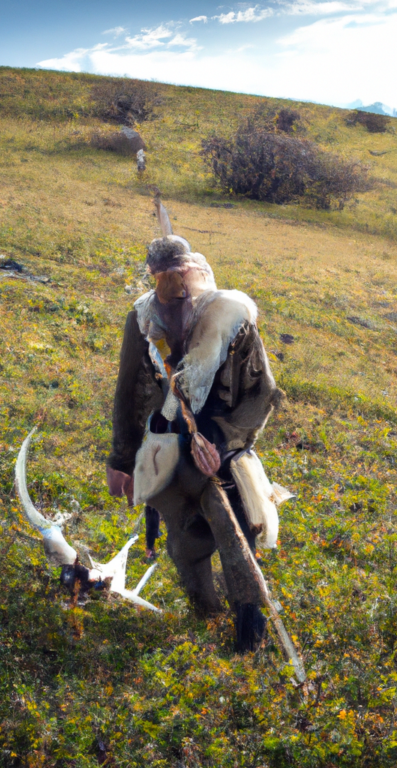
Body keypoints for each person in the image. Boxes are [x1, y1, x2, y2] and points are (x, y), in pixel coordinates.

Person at [106, 208, 282, 651]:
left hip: (222, 451)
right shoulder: (142, 321)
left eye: (179, 283)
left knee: (238, 537)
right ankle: (207, 615)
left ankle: (249, 636)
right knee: (184, 546)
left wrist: (223, 444)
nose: (173, 293)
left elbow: (262, 393)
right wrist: (121, 461)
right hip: (167, 448)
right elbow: (128, 393)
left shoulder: (231, 319)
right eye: (163, 283)